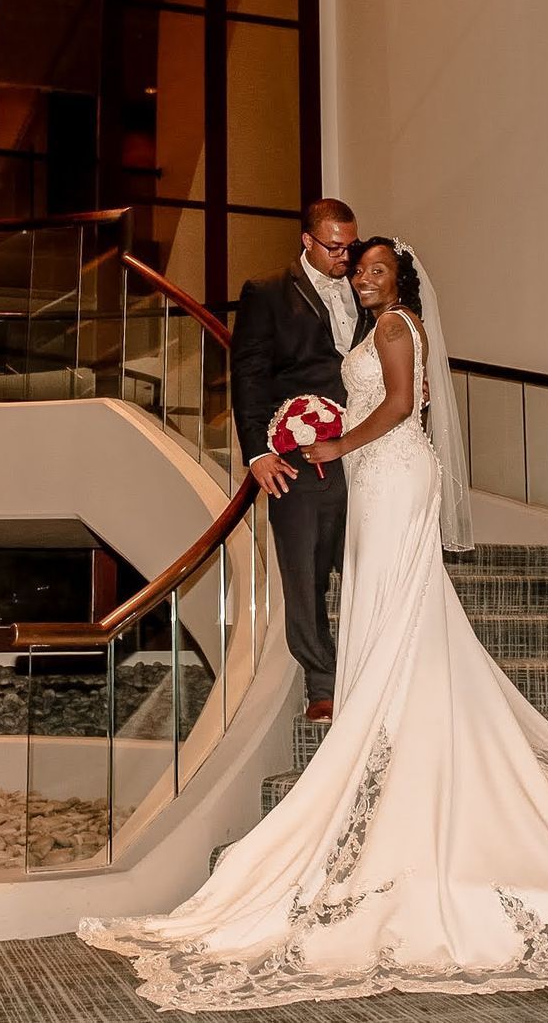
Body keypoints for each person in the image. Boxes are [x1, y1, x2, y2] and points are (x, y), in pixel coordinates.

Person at [79, 238, 548, 1012]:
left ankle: (386, 717)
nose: (366, 276)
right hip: (373, 480)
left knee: (398, 593)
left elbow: (403, 406)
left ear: (400, 278)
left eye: (378, 268)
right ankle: (393, 711)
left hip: (395, 470)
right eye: (360, 267)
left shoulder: (399, 327)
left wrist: (337, 441)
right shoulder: (371, 329)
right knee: (387, 599)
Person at [228, 198, 365, 722]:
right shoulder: (265, 293)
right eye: (334, 246)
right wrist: (258, 451)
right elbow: (250, 373)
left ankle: (372, 667)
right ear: (306, 239)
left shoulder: (365, 286)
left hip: (362, 449)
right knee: (304, 571)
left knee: (364, 562)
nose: (344, 256)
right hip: (298, 455)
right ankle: (322, 683)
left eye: (349, 245)